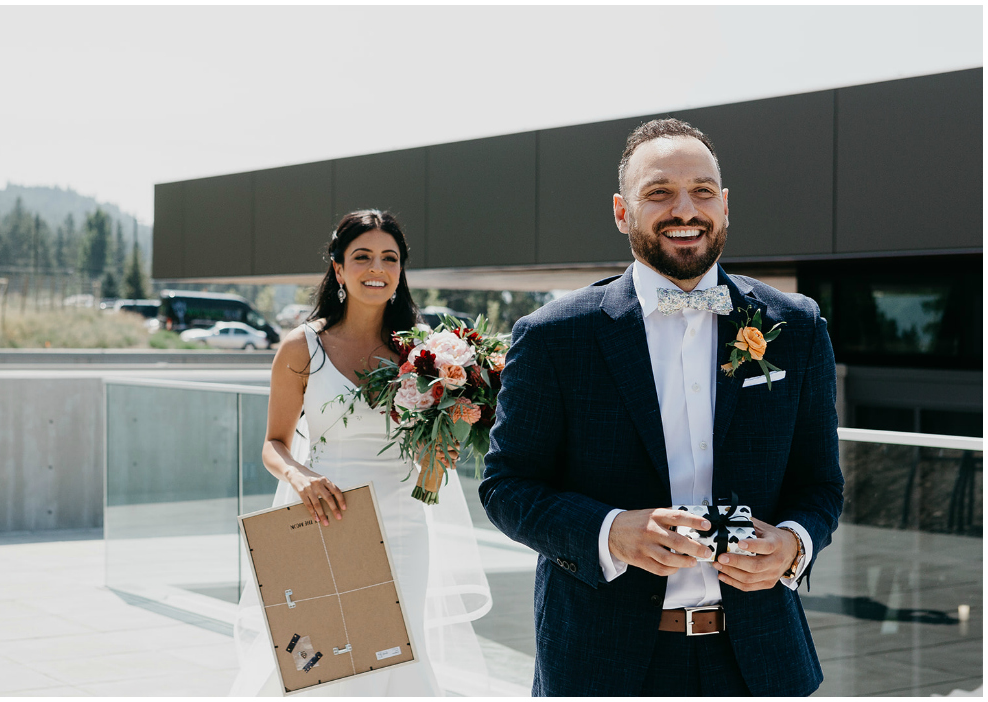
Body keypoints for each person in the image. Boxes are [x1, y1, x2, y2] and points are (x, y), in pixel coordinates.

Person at [479, 119, 844, 696]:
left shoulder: (794, 327)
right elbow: (505, 487)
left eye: (702, 191)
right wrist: (610, 531)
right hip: (602, 663)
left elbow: (821, 484)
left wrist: (795, 542)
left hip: (759, 663)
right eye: (659, 193)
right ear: (623, 212)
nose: (685, 209)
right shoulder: (554, 336)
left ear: (724, 207)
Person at [230, 209, 491, 696]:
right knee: (316, 657)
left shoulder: (424, 352)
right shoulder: (301, 347)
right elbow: (274, 444)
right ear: (338, 267)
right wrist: (300, 476)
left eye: (389, 258)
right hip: (323, 514)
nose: (377, 268)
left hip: (404, 522)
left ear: (400, 270)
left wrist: (447, 440)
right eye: (363, 256)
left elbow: (433, 441)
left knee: (399, 650)